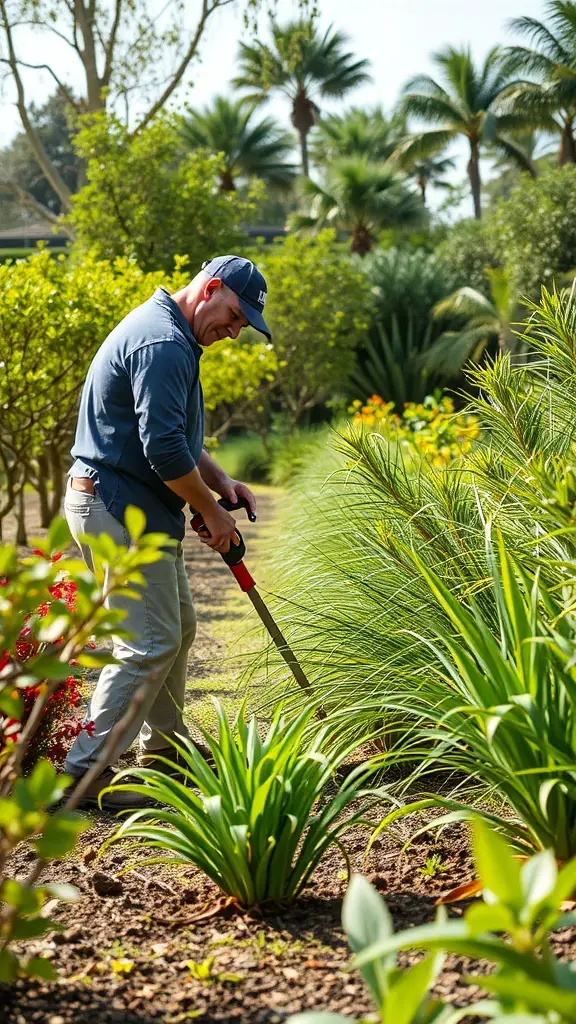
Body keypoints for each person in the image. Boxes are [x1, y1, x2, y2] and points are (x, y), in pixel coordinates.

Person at [63, 255, 271, 808]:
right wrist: (212, 511)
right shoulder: (163, 344)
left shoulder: (171, 333)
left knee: (177, 625)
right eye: (233, 316)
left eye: (242, 326)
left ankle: (166, 754)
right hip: (117, 508)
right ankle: (83, 777)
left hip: (132, 509)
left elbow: (173, 434)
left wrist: (220, 482)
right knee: (148, 642)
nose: (232, 331)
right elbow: (162, 450)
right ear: (213, 288)